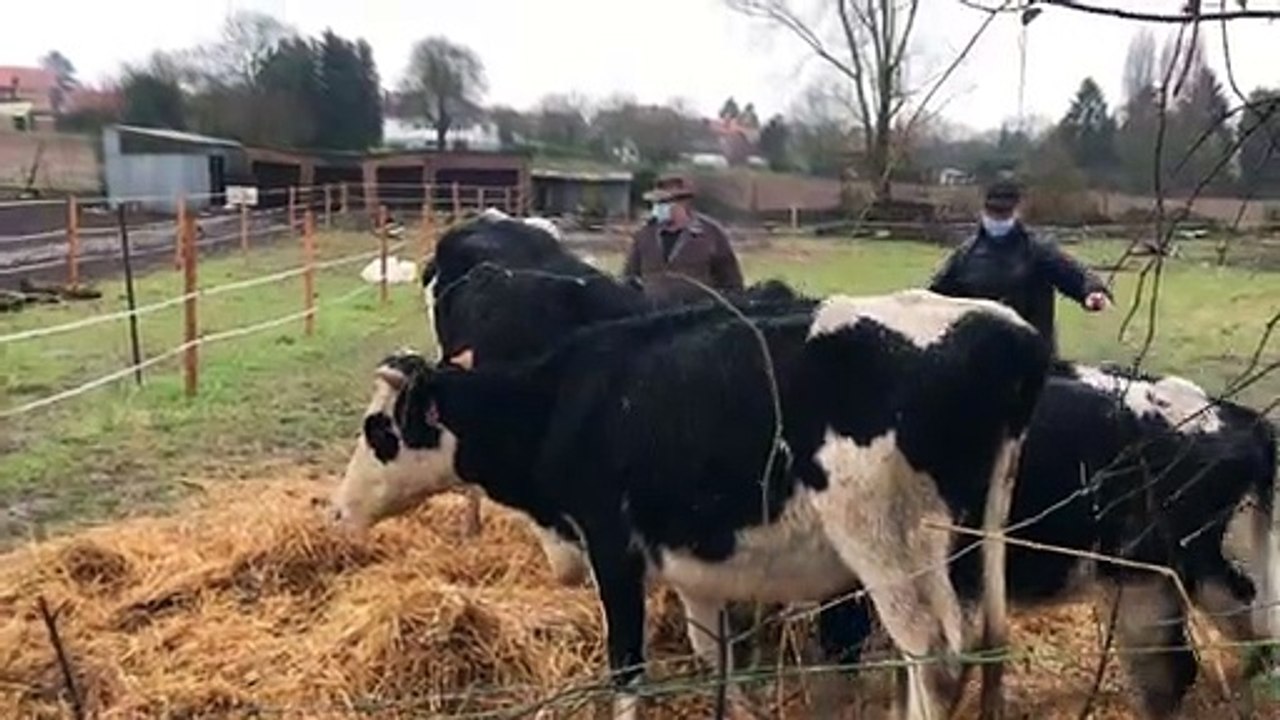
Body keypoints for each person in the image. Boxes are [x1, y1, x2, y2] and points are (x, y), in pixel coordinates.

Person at [929, 179, 1112, 356]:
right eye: (993, 212)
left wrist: (1092, 291)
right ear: (984, 211)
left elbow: (1073, 273)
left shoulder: (1037, 251)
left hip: (1030, 355)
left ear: (1016, 212)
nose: (997, 218)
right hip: (979, 356)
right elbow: (936, 295)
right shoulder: (965, 256)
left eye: (1004, 213)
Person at [622, 174, 745, 303]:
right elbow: (629, 278)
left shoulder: (711, 233)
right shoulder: (644, 234)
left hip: (698, 315)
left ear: (683, 203)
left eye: (664, 202)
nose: (657, 208)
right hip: (653, 316)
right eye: (656, 203)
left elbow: (732, 282)